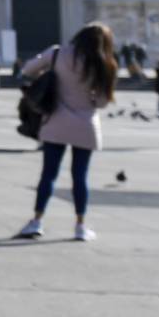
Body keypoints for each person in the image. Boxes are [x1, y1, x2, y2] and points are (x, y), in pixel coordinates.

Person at [15, 22, 116, 242]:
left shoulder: (57, 53)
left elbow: (28, 69)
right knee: (80, 177)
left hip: (56, 121)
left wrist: (52, 77)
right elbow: (101, 103)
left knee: (48, 174)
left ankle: (36, 221)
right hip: (85, 126)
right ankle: (80, 225)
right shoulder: (104, 63)